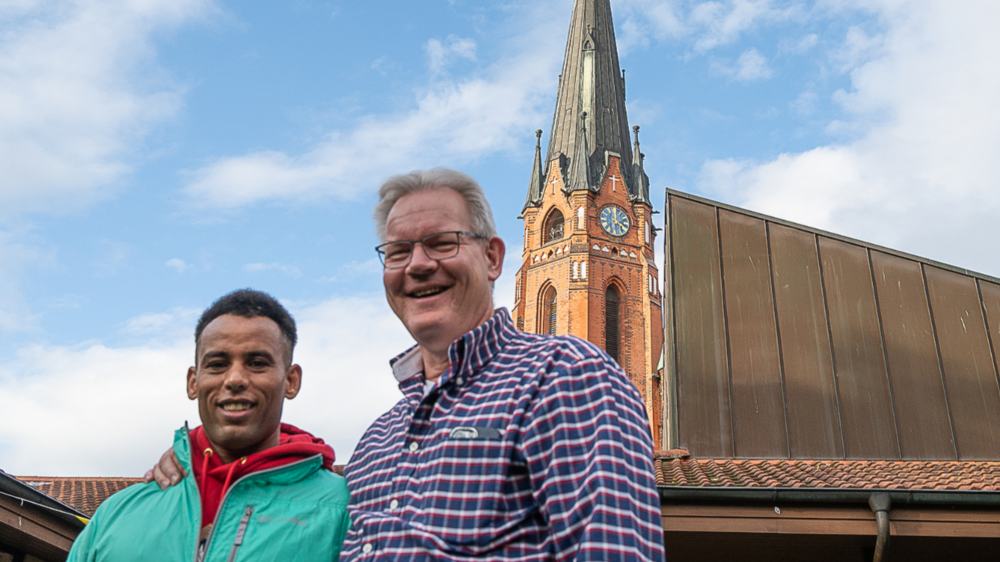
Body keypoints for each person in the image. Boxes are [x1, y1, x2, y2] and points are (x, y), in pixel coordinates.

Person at [152, 169, 665, 560]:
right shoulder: (378, 441)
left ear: (492, 258)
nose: (419, 264)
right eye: (398, 251)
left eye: (443, 242)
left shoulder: (567, 378)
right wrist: (196, 461)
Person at [72, 289, 349, 561]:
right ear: (193, 382)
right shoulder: (118, 514)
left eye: (256, 363)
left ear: (291, 381)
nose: (235, 379)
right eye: (217, 364)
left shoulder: (344, 511)